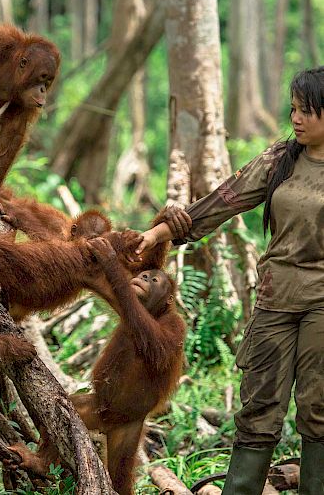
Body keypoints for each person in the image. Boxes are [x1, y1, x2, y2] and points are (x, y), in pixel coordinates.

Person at [135, 66, 324, 495]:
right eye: (293, 109)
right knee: (260, 407)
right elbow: (225, 199)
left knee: (319, 408)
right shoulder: (282, 159)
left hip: (322, 303)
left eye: (307, 111)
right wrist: (159, 233)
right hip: (276, 298)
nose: (295, 118)